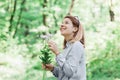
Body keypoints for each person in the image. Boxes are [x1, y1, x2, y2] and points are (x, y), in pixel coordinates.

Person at [42, 15, 86, 80]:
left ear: (75, 29)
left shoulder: (77, 45)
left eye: (66, 23)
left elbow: (69, 72)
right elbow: (64, 74)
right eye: (62, 23)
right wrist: (52, 68)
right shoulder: (66, 48)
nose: (62, 25)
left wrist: (57, 53)